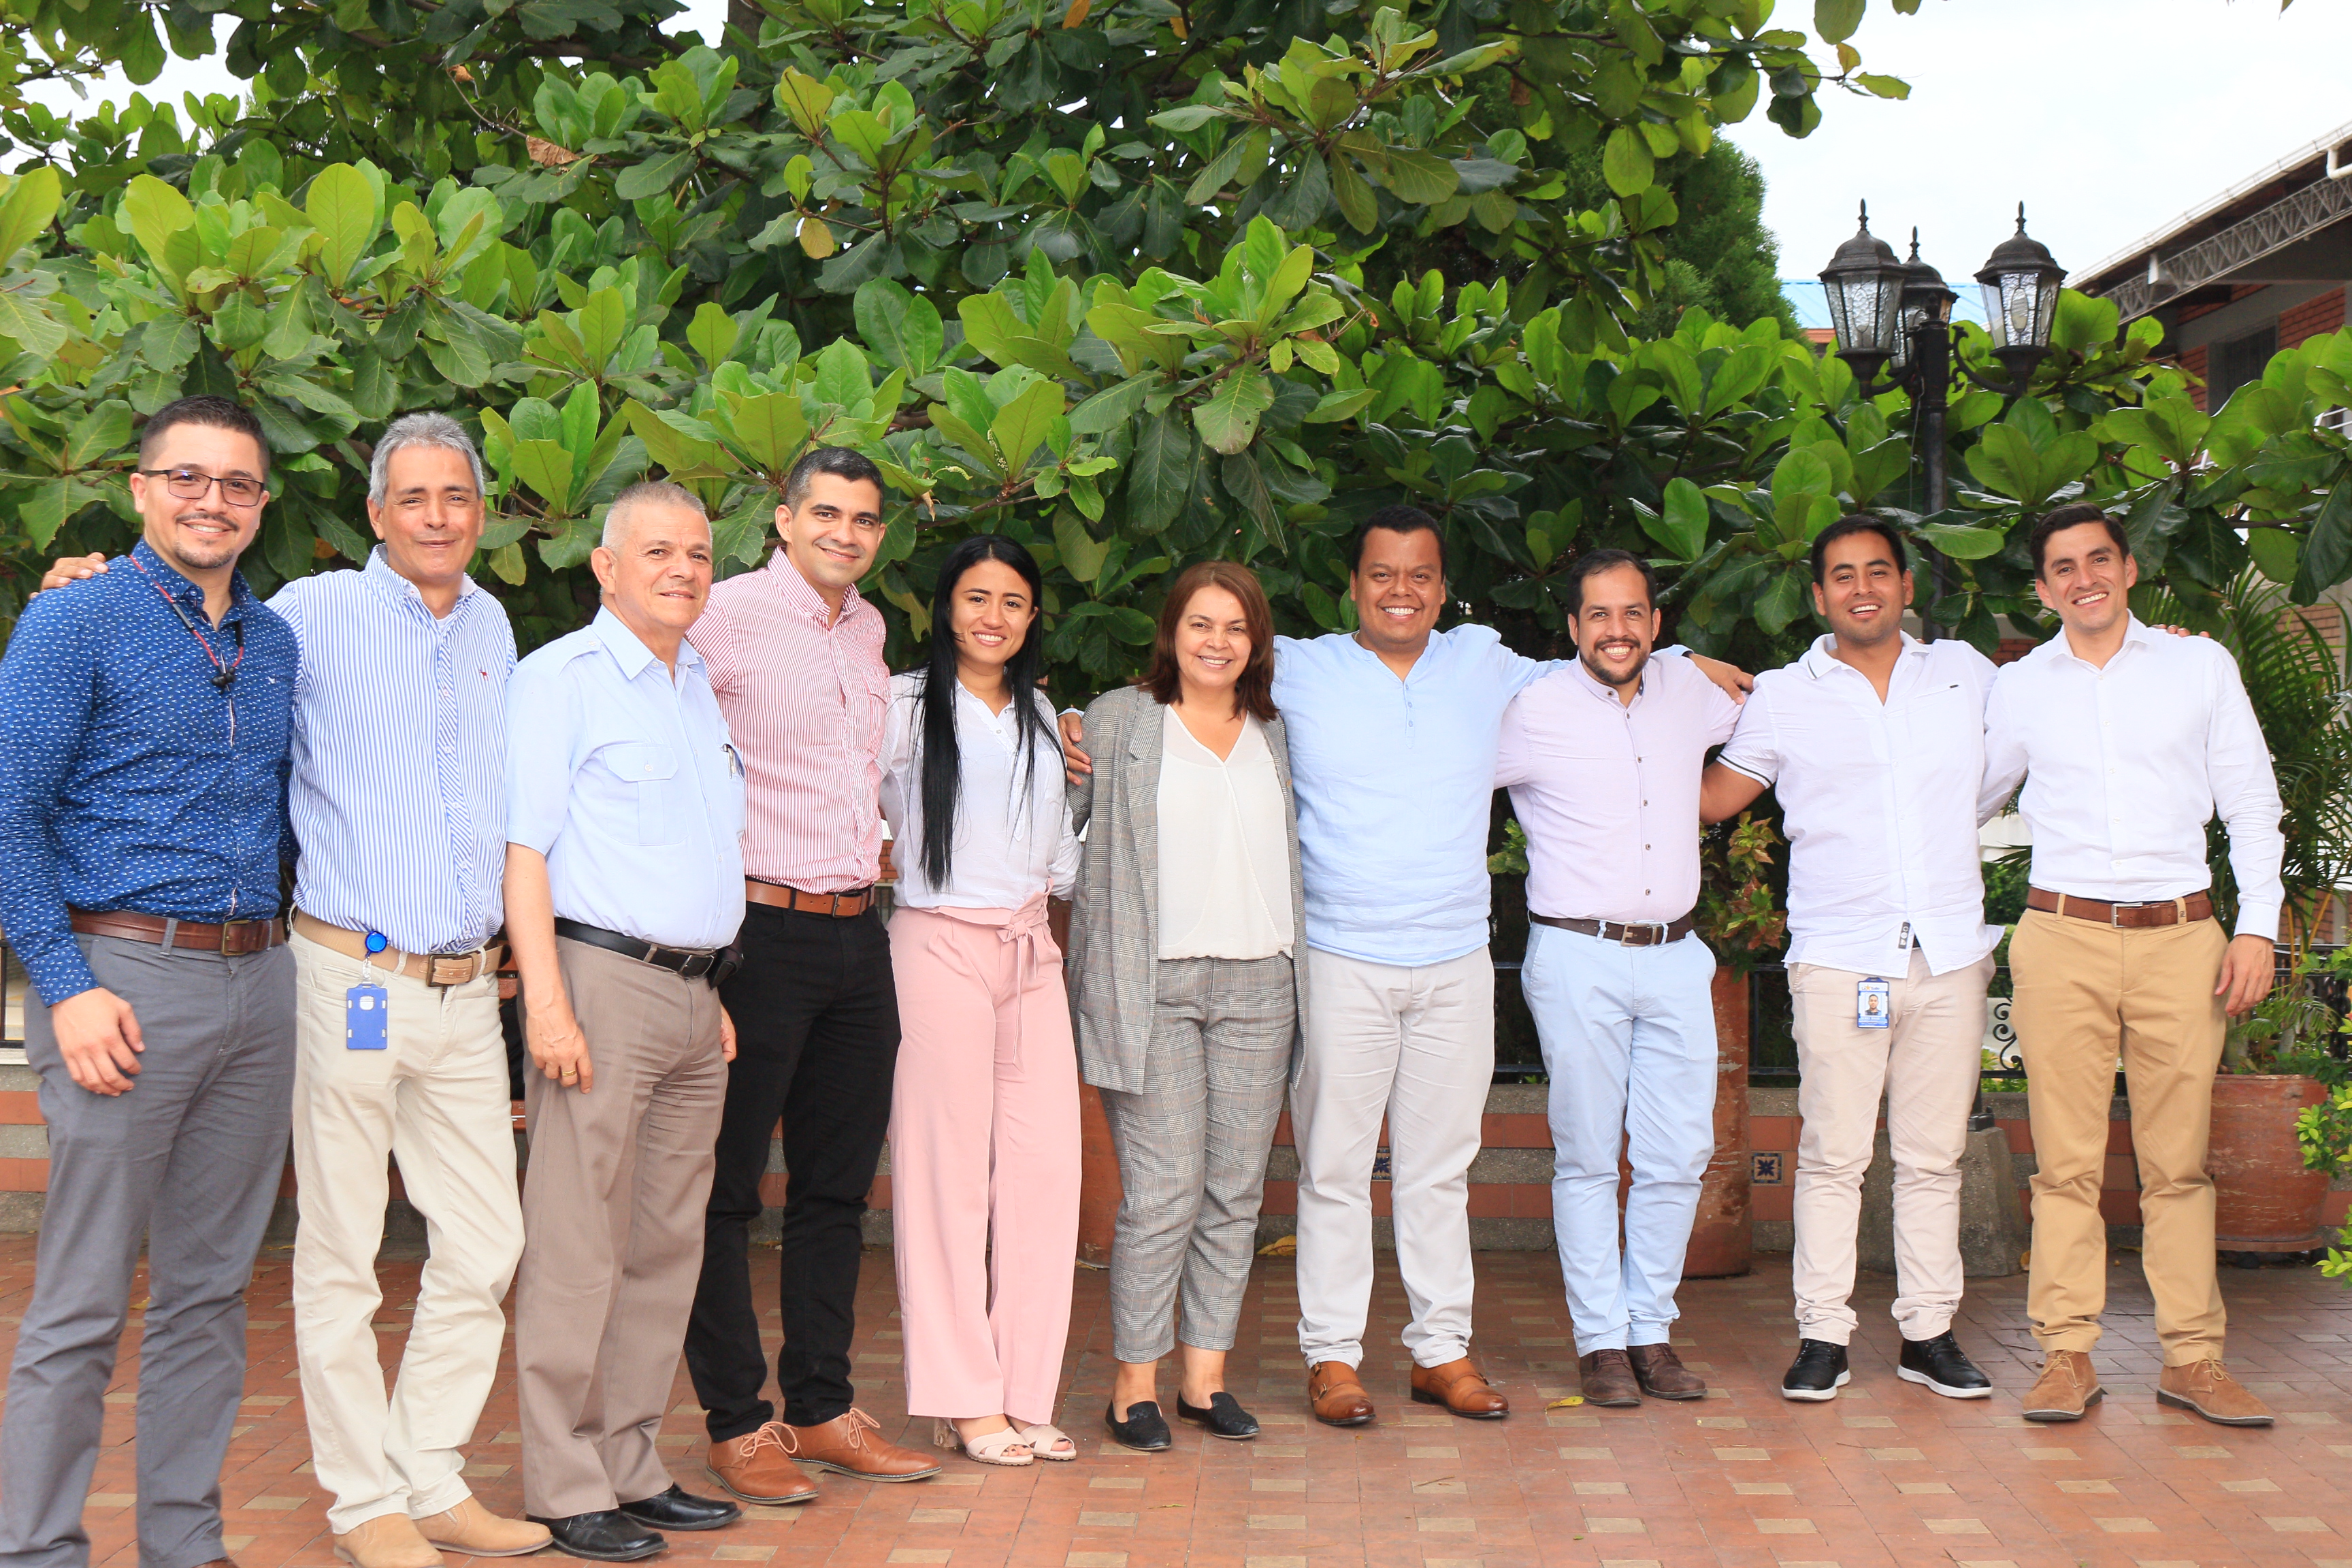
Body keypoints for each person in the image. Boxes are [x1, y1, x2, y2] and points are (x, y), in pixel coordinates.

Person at [1062, 507, 1752, 1427]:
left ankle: (1441, 1351)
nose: (1401, 590)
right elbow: (1190, 683)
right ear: (1352, 587)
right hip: (1339, 957)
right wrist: (1077, 720)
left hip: (1456, 958)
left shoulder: (1487, 663)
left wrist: (1685, 660)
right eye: (1382, 573)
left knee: (1439, 1170)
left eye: (1420, 574)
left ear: (1443, 588)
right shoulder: (1297, 668)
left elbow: (1602, 662)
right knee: (1334, 1170)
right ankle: (1333, 1357)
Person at [28, 415, 547, 1565]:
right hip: (341, 976)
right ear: (374, 513)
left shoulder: (474, 626)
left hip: (453, 988)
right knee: (337, 1252)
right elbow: (165, 637)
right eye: (412, 497)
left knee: (486, 1241)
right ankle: (363, 1503)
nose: (436, 517)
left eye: (457, 496)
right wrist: (78, 587)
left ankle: (428, 1473)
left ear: (482, 511)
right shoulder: (309, 615)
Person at [0, 395, 299, 1568]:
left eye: (236, 483)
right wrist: (63, 983)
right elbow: (10, 813)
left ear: (261, 502)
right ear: (140, 488)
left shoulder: (275, 641)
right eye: (187, 477)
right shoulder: (73, 621)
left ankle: (185, 1540)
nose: (211, 501)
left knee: (211, 1291)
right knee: (81, 1297)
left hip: (257, 983)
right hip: (120, 980)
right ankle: (36, 1548)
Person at [1978, 503, 2283, 1428]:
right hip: (2061, 935)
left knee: (2178, 1165)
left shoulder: (2199, 667)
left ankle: (2193, 1359)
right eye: (2064, 568)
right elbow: (1966, 800)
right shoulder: (2020, 687)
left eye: (2098, 559)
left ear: (2129, 568)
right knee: (2064, 1165)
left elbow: (2252, 800)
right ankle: (2065, 1355)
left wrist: (2257, 927)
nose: (2085, 579)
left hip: (2183, 938)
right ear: (2043, 591)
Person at [684, 448, 940, 1502]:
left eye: (865, 519)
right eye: (826, 513)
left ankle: (823, 1408)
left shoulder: (868, 629)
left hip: (855, 934)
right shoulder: (722, 614)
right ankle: (737, 1423)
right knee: (725, 1190)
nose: (846, 533)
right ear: (784, 519)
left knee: (836, 1188)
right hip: (756, 932)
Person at [503, 483, 750, 1560]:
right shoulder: (559, 679)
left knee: (664, 1246)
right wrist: (547, 1003)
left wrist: (711, 991)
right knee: (577, 1243)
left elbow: (696, 851)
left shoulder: (698, 686)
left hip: (696, 998)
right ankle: (564, 1484)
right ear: (605, 568)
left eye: (698, 553)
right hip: (598, 987)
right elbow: (523, 851)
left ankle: (630, 1463)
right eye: (658, 552)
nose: (683, 570)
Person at [1700, 516, 1999, 1404]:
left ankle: (1928, 1334)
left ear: (1906, 586)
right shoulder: (1784, 695)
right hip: (1840, 959)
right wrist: (1670, 678)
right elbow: (1716, 799)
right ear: (1819, 595)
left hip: (1950, 953)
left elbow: (2038, 732)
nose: (1861, 587)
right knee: (1834, 1155)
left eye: (1877, 571)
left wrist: (2153, 646)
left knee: (1933, 1156)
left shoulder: (1966, 675)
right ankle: (1822, 1335)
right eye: (1842, 575)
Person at [1067, 561, 1309, 1453]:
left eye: (1237, 627)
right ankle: (1133, 1386)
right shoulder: (1119, 719)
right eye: (1201, 623)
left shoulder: (1278, 730)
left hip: (1261, 983)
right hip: (1152, 985)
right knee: (1164, 1189)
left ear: (1258, 642)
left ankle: (1205, 1379)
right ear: (1171, 632)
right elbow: (1055, 818)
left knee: (1234, 1191)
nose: (1218, 642)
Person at [1494, 549, 1739, 1409]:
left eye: (1633, 612)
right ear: (1572, 627)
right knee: (1589, 1155)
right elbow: (1439, 776)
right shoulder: (1531, 707)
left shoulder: (1689, 690)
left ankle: (1650, 1332)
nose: (1617, 629)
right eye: (1599, 614)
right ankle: (1600, 1342)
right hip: (1578, 954)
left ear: (1657, 624)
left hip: (1676, 954)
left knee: (1680, 1155)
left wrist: (1697, 665)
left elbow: (1781, 712)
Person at [880, 536, 1083, 1468]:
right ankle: (963, 1398)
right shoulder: (901, 707)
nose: (992, 617)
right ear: (946, 609)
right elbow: (858, 813)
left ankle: (1023, 1392)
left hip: (1031, 950)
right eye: (975, 598)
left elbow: (1059, 860)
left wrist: (1088, 795)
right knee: (946, 1180)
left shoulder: (1042, 714)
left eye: (1011, 601)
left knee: (1047, 1176)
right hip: (937, 945)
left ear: (1033, 616)